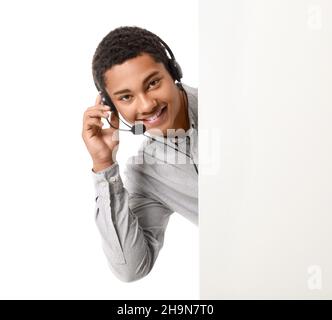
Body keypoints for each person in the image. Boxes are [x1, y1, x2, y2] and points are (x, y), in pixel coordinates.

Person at [82, 26, 198, 282]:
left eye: (153, 83)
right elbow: (131, 268)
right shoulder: (146, 175)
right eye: (126, 97)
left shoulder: (230, 102)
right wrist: (103, 165)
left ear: (173, 71)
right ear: (112, 107)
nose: (146, 105)